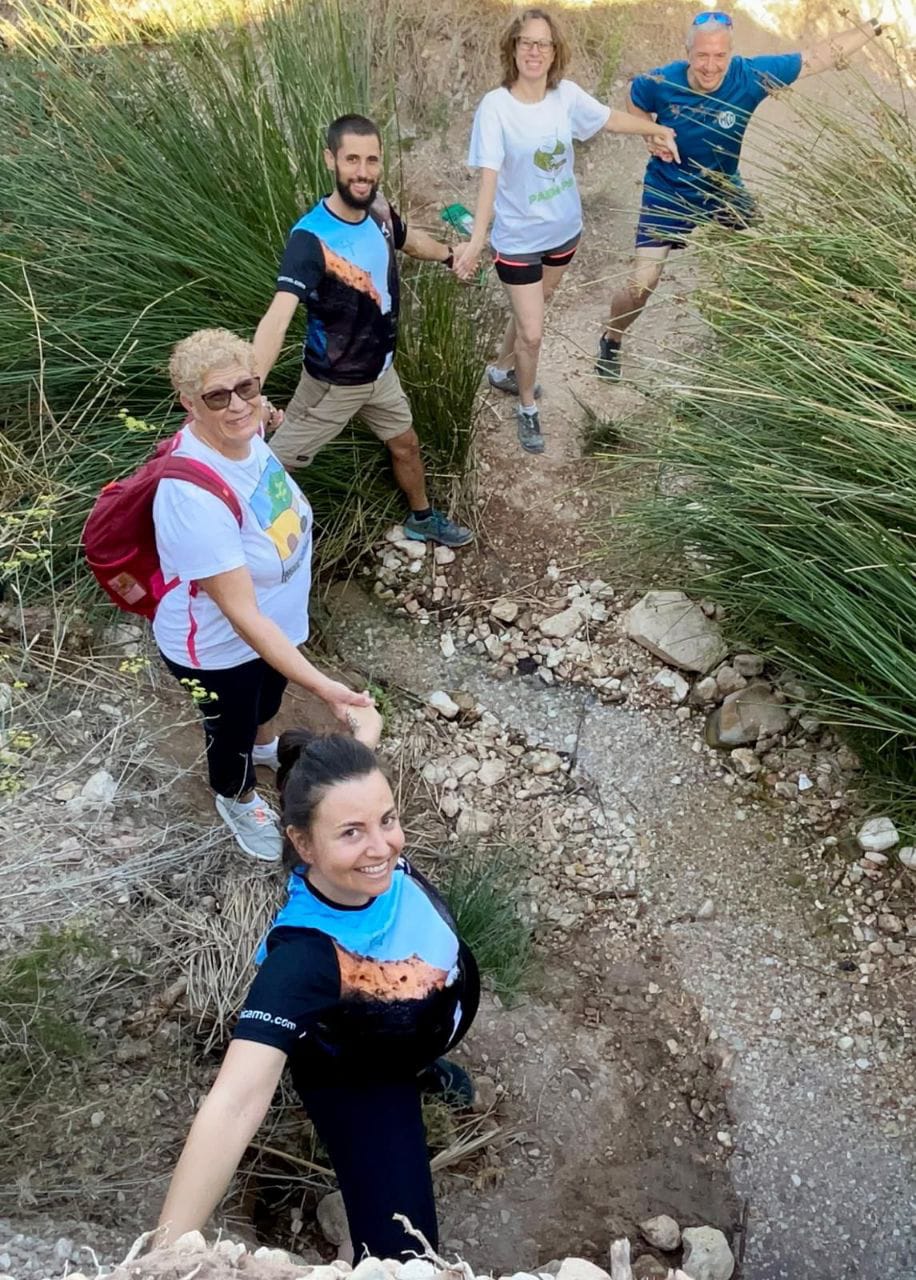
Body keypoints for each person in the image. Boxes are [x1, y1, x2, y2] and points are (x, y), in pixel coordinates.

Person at [156, 730, 481, 1261]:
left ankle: (427, 1069)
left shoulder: (373, 872)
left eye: (388, 819)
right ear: (304, 844)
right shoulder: (304, 958)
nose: (383, 847)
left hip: (406, 1035)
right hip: (364, 1082)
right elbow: (235, 1103)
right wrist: (162, 1254)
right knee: (406, 1261)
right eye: (352, 832)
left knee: (413, 1043)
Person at [154, 329, 382, 863]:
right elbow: (240, 616)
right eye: (217, 396)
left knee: (268, 703)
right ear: (190, 404)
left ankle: (263, 747)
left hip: (277, 626)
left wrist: (264, 413)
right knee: (229, 727)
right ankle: (234, 794)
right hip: (218, 649)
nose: (237, 405)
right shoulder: (191, 497)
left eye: (246, 387)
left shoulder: (246, 430)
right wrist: (328, 689)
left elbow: (252, 418)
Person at [596, 9, 887, 382]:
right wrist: (647, 131)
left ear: (730, 53)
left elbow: (817, 57)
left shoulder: (749, 76)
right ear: (688, 53)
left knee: (773, 249)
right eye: (702, 55)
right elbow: (634, 96)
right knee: (641, 286)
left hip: (722, 189)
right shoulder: (662, 80)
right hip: (668, 190)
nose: (710, 66)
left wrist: (874, 27)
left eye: (720, 56)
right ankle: (612, 337)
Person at [453, 7, 679, 455]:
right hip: (517, 241)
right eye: (526, 43)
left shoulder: (566, 97)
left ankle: (501, 368)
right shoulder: (496, 108)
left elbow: (611, 119)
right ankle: (526, 406)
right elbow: (489, 178)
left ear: (555, 52)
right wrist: (479, 239)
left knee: (534, 309)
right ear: (513, 49)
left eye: (544, 43)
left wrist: (656, 128)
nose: (535, 51)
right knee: (534, 333)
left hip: (564, 235)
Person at [253, 115, 473, 550]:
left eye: (371, 160)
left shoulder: (379, 212)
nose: (363, 171)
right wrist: (249, 389)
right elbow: (278, 316)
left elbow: (410, 241)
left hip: (381, 375)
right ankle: (249, 556)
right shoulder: (310, 238)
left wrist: (450, 255)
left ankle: (422, 518)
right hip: (332, 384)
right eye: (352, 159)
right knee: (270, 469)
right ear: (330, 160)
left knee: (406, 444)